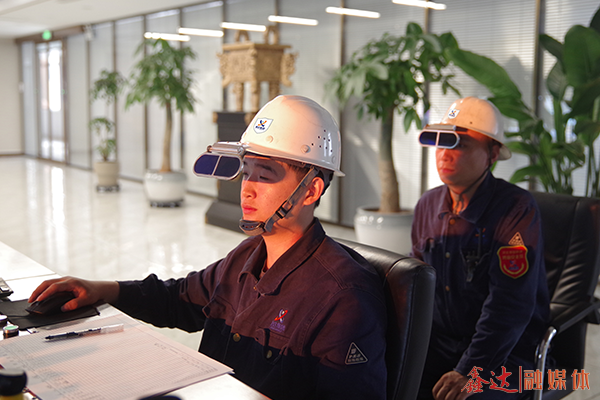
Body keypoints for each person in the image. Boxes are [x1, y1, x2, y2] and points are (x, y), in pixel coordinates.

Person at [29, 95, 387, 400]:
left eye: (264, 176)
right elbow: (180, 299)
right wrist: (101, 289)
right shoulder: (247, 257)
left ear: (311, 190)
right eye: (246, 172)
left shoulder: (344, 299)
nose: (247, 189)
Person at [412, 97, 550, 400]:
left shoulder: (516, 210)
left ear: (493, 153)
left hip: (505, 354)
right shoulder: (427, 205)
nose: (445, 154)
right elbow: (416, 284)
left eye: (460, 144)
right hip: (441, 345)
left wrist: (471, 369)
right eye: (441, 143)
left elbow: (510, 303)